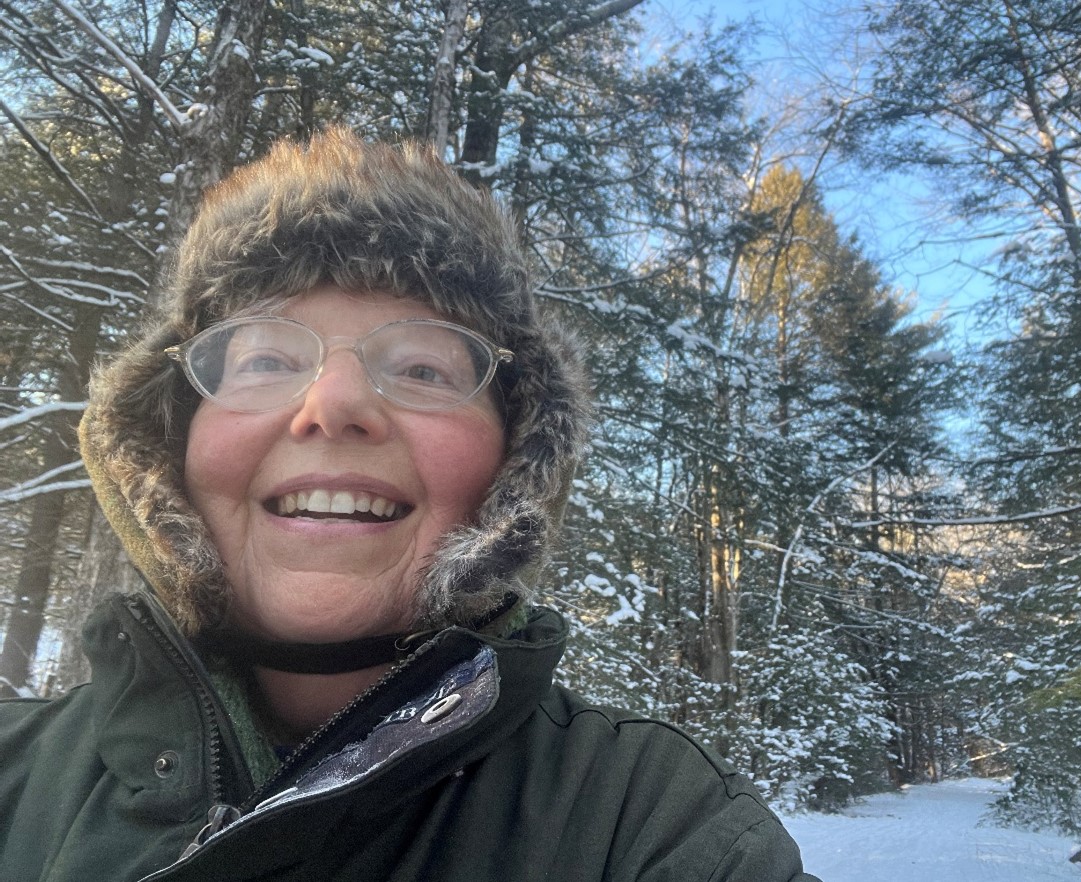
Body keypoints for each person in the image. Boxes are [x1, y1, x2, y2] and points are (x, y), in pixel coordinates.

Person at [0, 127, 818, 882]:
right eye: (265, 360)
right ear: (167, 438)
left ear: (515, 459)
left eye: (424, 369)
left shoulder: (651, 824)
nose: (333, 403)